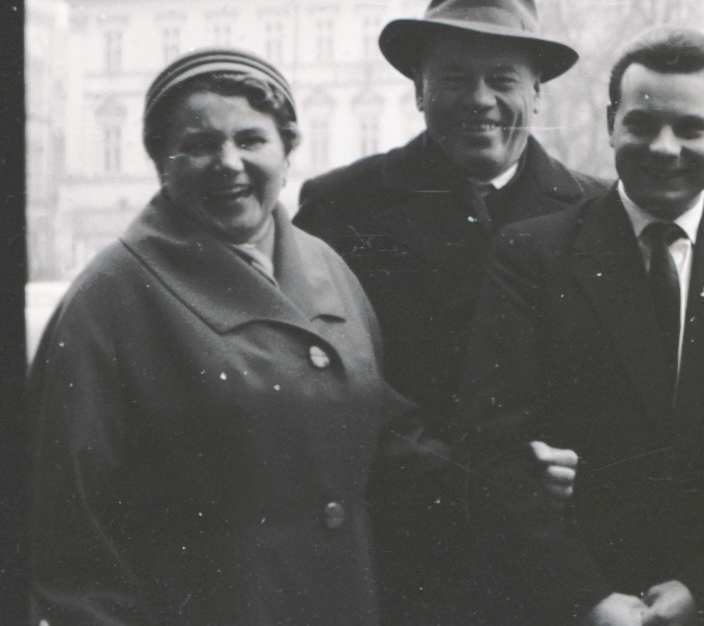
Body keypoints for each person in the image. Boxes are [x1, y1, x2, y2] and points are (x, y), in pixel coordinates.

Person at [28, 49, 442, 625]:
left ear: (287, 151)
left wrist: (509, 477)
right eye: (199, 145)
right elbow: (66, 537)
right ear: (161, 161)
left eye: (251, 140)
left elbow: (385, 433)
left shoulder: (327, 267)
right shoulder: (109, 297)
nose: (228, 163)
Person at [463, 28, 704, 626]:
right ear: (612, 125)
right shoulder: (532, 255)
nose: (664, 148)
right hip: (564, 607)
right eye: (642, 124)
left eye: (691, 128)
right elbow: (495, 440)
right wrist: (585, 596)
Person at [294, 0, 601, 623]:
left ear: (538, 92)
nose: (480, 100)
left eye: (503, 79)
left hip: (552, 564)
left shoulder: (597, 215)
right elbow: (321, 376)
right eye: (456, 79)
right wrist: (478, 480)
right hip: (401, 554)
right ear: (418, 90)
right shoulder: (343, 206)